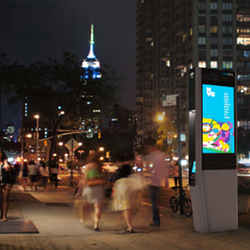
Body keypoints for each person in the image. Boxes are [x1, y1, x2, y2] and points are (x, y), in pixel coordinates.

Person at [76, 150, 105, 231]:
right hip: (98, 188)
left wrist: (79, 191)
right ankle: (96, 224)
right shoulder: (100, 167)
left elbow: (83, 179)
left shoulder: (87, 166)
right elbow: (103, 177)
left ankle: (83, 219)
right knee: (98, 207)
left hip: (89, 188)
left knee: (85, 205)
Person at [143, 137, 169, 227]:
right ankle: (156, 219)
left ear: (151, 147)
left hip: (153, 181)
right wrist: (166, 181)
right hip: (158, 181)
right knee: (156, 202)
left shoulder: (150, 156)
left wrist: (147, 175)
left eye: (148, 148)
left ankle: (156, 220)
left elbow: (148, 169)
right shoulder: (162, 155)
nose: (148, 149)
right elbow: (165, 168)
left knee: (154, 202)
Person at [0, 157, 15, 222]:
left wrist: (7, 166)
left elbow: (10, 173)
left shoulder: (5, 164)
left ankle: (4, 216)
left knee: (5, 199)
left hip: (6, 183)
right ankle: (2, 215)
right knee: (1, 200)